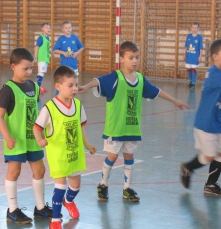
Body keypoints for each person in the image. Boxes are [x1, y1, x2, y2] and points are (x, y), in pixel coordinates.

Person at [78, 40, 189, 203]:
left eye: (137, 57)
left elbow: (157, 91)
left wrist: (175, 101)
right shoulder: (115, 78)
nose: (135, 61)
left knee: (129, 157)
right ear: (121, 59)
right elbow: (98, 81)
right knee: (113, 156)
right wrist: (86, 86)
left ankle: (127, 188)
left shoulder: (140, 80)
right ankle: (102, 184)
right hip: (115, 128)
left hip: (132, 128)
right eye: (131, 57)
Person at [33, 65, 97, 229]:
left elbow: (80, 128)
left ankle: (68, 201)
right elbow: (36, 127)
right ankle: (55, 221)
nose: (75, 88)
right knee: (60, 185)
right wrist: (39, 139)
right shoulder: (49, 108)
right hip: (58, 155)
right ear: (58, 86)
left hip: (74, 153)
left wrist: (88, 145)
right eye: (70, 85)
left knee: (75, 186)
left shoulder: (77, 105)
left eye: (76, 85)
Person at [180, 39, 221, 197]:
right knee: (209, 155)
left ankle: (210, 185)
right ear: (215, 56)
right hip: (206, 122)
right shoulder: (213, 72)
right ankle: (188, 167)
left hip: (220, 121)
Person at [0, 47, 53, 225]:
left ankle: (40, 207)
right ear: (13, 66)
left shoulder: (34, 87)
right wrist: (7, 137)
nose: (29, 72)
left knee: (40, 170)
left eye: (31, 68)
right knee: (14, 171)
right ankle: (12, 210)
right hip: (16, 140)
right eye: (25, 68)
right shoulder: (8, 89)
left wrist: (47, 129)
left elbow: (39, 110)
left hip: (33, 138)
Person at [52, 20, 84, 95]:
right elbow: (54, 50)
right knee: (62, 82)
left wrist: (77, 53)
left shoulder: (75, 38)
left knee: (73, 82)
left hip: (74, 65)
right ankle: (57, 96)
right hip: (64, 65)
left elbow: (82, 47)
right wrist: (63, 52)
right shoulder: (61, 39)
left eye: (69, 27)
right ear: (62, 29)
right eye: (66, 28)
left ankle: (69, 96)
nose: (68, 29)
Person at [184, 22, 203, 90]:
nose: (194, 29)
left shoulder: (199, 37)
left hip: (195, 56)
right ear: (191, 28)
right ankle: (190, 81)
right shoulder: (188, 36)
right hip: (189, 56)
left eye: (196, 27)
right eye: (193, 27)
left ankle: (193, 83)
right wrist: (184, 55)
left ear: (198, 29)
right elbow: (186, 47)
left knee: (193, 69)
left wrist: (200, 56)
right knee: (189, 69)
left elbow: (200, 48)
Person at [34, 22, 51, 93]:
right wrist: (35, 57)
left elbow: (47, 48)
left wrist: (51, 52)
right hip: (41, 58)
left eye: (49, 28)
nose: (48, 29)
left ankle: (38, 86)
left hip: (45, 58)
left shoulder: (48, 38)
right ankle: (38, 87)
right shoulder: (41, 38)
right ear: (42, 29)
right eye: (46, 28)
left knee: (41, 73)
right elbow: (36, 47)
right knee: (41, 72)